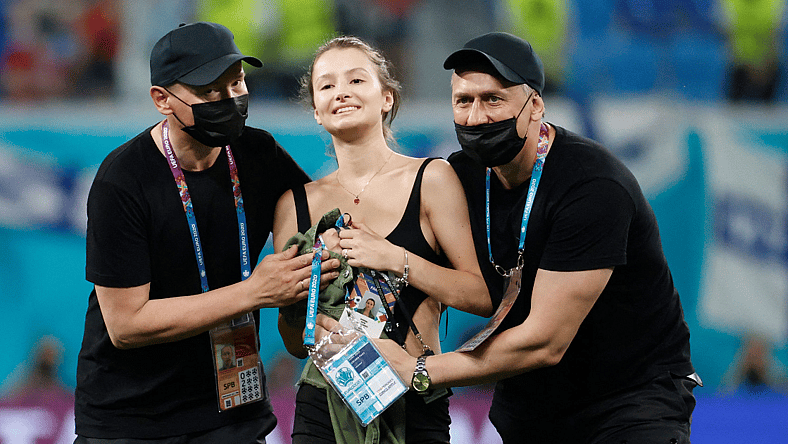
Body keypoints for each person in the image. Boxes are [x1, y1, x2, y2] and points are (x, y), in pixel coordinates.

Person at [374, 32, 701, 443]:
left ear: (535, 107)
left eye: (493, 99)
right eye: (464, 101)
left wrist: (418, 371)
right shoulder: (459, 177)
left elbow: (546, 341)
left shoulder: (591, 185)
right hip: (533, 406)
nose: (475, 118)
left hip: (629, 401)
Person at [74, 22, 339, 443]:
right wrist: (254, 292)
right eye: (209, 91)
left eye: (236, 83)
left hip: (235, 413)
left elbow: (326, 217)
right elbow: (126, 324)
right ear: (162, 99)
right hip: (132, 421)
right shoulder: (122, 180)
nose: (229, 100)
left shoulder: (257, 152)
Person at [273, 36, 491, 444]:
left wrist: (395, 257)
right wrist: (296, 301)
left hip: (412, 394)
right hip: (325, 403)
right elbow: (295, 344)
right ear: (317, 111)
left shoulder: (433, 179)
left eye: (356, 80)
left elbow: (480, 295)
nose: (341, 92)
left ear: (386, 98)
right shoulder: (295, 205)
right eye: (326, 85)